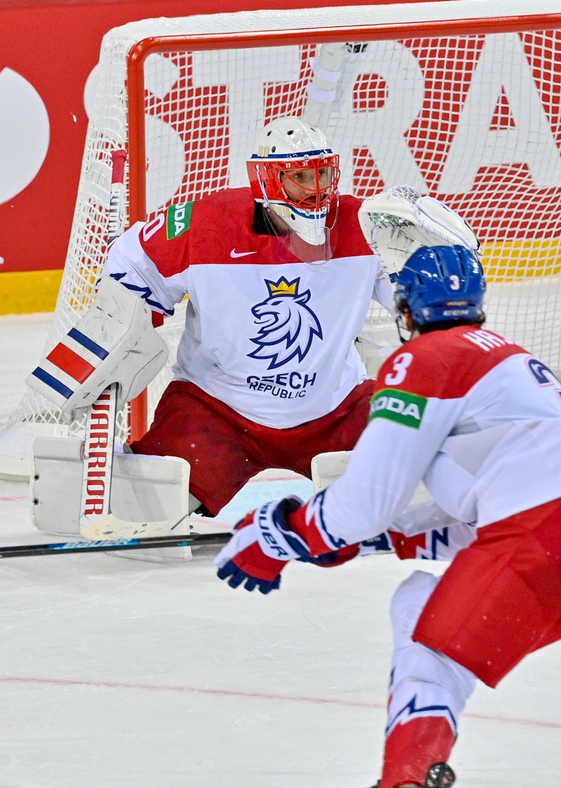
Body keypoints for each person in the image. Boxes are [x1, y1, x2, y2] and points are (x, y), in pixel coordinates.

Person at [213, 244, 561, 787]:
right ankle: (411, 773)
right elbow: (492, 514)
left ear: (406, 310)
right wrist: (381, 539)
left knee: (427, 643)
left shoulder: (426, 359)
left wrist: (281, 534)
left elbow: (366, 503)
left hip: (553, 526)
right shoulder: (509, 362)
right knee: (428, 618)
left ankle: (404, 778)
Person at [31, 116, 479, 545]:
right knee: (147, 506)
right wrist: (125, 320)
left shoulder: (364, 226)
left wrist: (441, 262)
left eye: (324, 174)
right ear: (267, 181)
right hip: (218, 412)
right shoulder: (205, 224)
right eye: (300, 177)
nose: (317, 189)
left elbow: (425, 309)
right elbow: (132, 265)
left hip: (335, 409)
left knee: (422, 490)